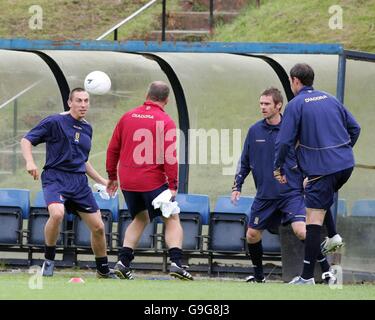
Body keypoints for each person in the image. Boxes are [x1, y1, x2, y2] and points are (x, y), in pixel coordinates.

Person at [232, 87, 335, 283]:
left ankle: (327, 271)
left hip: (291, 194)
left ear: (279, 106)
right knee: (252, 235)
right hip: (265, 195)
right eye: (261, 103)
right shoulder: (254, 130)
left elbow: (309, 155)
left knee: (302, 231)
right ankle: (259, 276)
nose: (262, 107)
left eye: (267, 104)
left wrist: (309, 176)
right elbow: (244, 161)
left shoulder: (292, 130)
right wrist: (237, 186)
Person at [274, 63, 361, 284]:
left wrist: (278, 166)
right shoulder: (331, 99)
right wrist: (341, 152)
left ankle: (306, 278)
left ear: (295, 81)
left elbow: (284, 141)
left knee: (312, 219)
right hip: (344, 166)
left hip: (323, 170)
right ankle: (333, 236)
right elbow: (355, 128)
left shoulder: (296, 105)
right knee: (316, 195)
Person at [21, 88, 118, 279]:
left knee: (98, 227)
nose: (83, 105)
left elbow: (82, 160)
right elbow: (26, 140)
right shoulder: (55, 121)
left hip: (79, 182)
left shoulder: (87, 128)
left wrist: (103, 181)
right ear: (70, 103)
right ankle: (49, 260)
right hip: (55, 177)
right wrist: (30, 161)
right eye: (79, 101)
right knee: (57, 213)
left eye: (86, 101)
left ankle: (103, 270)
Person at [106, 81, 193, 281]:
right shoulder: (165, 120)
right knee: (172, 218)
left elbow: (113, 149)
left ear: (147, 95)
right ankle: (177, 263)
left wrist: (112, 176)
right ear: (167, 100)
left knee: (141, 217)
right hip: (152, 181)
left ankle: (123, 262)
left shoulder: (127, 117)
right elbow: (170, 156)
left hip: (128, 181)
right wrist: (172, 186)